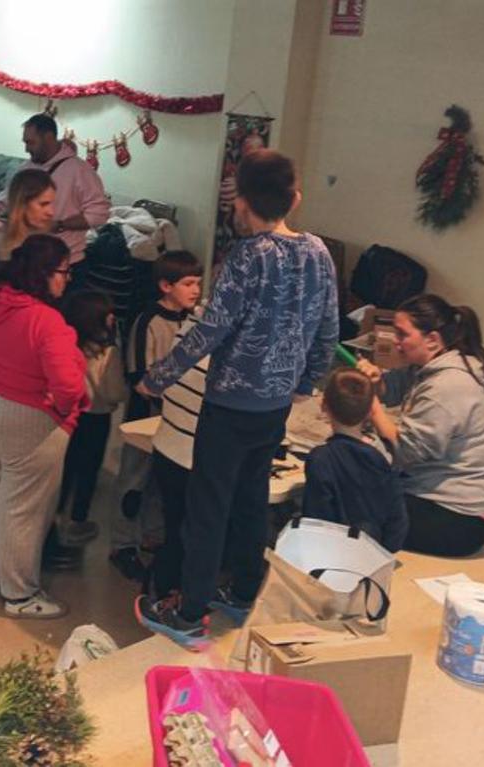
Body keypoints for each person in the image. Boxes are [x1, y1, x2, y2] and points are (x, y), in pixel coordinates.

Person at [136, 150, 339, 649]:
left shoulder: (248, 258)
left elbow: (209, 332)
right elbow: (329, 328)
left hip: (229, 407)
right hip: (275, 407)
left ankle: (188, 611)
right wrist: (305, 384)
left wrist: (157, 379)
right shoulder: (318, 252)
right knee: (250, 501)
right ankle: (245, 590)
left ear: (241, 204)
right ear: (295, 198)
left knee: (208, 509)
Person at [0, 234, 87, 619]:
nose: (68, 280)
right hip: (27, 415)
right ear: (44, 274)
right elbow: (68, 384)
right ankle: (19, 594)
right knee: (23, 508)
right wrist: (60, 410)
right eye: (65, 272)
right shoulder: (47, 322)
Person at [357, 294, 484, 557]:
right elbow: (392, 387)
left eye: (402, 335)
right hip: (447, 502)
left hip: (458, 519)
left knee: (350, 505)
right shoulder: (431, 368)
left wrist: (371, 405)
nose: (396, 342)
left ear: (433, 340)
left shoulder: (447, 386)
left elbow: (406, 452)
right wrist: (376, 381)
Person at [114, 251, 206, 593]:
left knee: (159, 484)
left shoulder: (194, 321)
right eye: (187, 283)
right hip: (145, 412)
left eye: (198, 283)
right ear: (166, 286)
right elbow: (138, 374)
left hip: (176, 420)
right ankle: (122, 544)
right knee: (133, 483)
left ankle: (152, 537)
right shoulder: (148, 321)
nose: (195, 290)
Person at [301, 367, 408, 552]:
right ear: (369, 411)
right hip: (373, 553)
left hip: (333, 555)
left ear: (324, 405)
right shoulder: (383, 455)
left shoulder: (321, 459)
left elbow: (315, 520)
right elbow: (397, 516)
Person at [0, 113, 110, 268]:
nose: (26, 149)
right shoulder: (25, 168)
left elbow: (99, 214)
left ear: (48, 138)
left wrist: (59, 225)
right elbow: (6, 201)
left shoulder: (80, 171)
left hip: (64, 261)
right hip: (26, 256)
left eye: (31, 142)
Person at [57, 290, 126, 545]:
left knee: (65, 465)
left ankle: (54, 514)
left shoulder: (66, 343)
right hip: (97, 416)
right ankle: (77, 519)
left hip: (69, 415)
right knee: (88, 469)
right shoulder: (108, 353)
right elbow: (114, 390)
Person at [0, 168, 57, 281]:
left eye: (52, 203)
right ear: (22, 203)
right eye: (43, 204)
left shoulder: (49, 242)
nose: (51, 212)